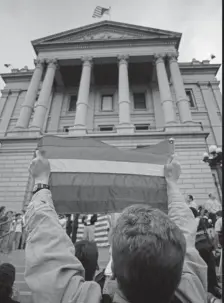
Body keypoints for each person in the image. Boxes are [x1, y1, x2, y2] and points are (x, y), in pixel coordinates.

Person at [23, 150, 207, 303]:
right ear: (179, 268)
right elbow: (185, 230)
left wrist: (40, 182)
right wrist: (172, 184)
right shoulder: (193, 294)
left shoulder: (78, 298)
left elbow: (47, 240)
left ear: (112, 272)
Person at [194, 209, 221, 299]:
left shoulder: (195, 221)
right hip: (205, 246)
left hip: (200, 246)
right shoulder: (201, 221)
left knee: (206, 272)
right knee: (210, 270)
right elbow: (209, 234)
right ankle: (213, 289)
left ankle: (211, 290)